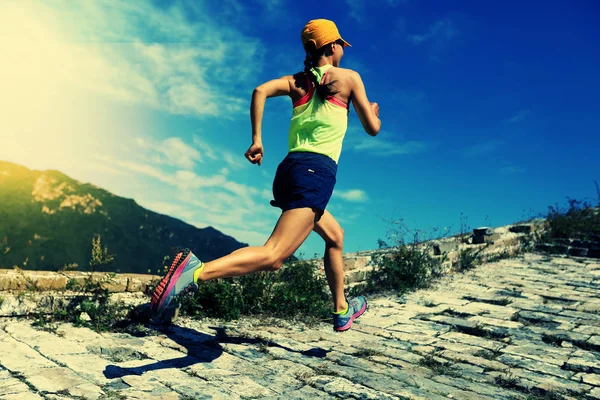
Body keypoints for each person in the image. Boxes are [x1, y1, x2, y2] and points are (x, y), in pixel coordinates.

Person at [150, 19, 381, 332]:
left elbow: (260, 90)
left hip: (289, 172)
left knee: (335, 237)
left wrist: (257, 139)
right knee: (274, 256)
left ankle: (341, 308)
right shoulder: (349, 78)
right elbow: (372, 129)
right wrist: (373, 112)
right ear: (330, 46)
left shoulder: (295, 82)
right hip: (316, 173)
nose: (343, 49)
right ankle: (194, 272)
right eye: (340, 43)